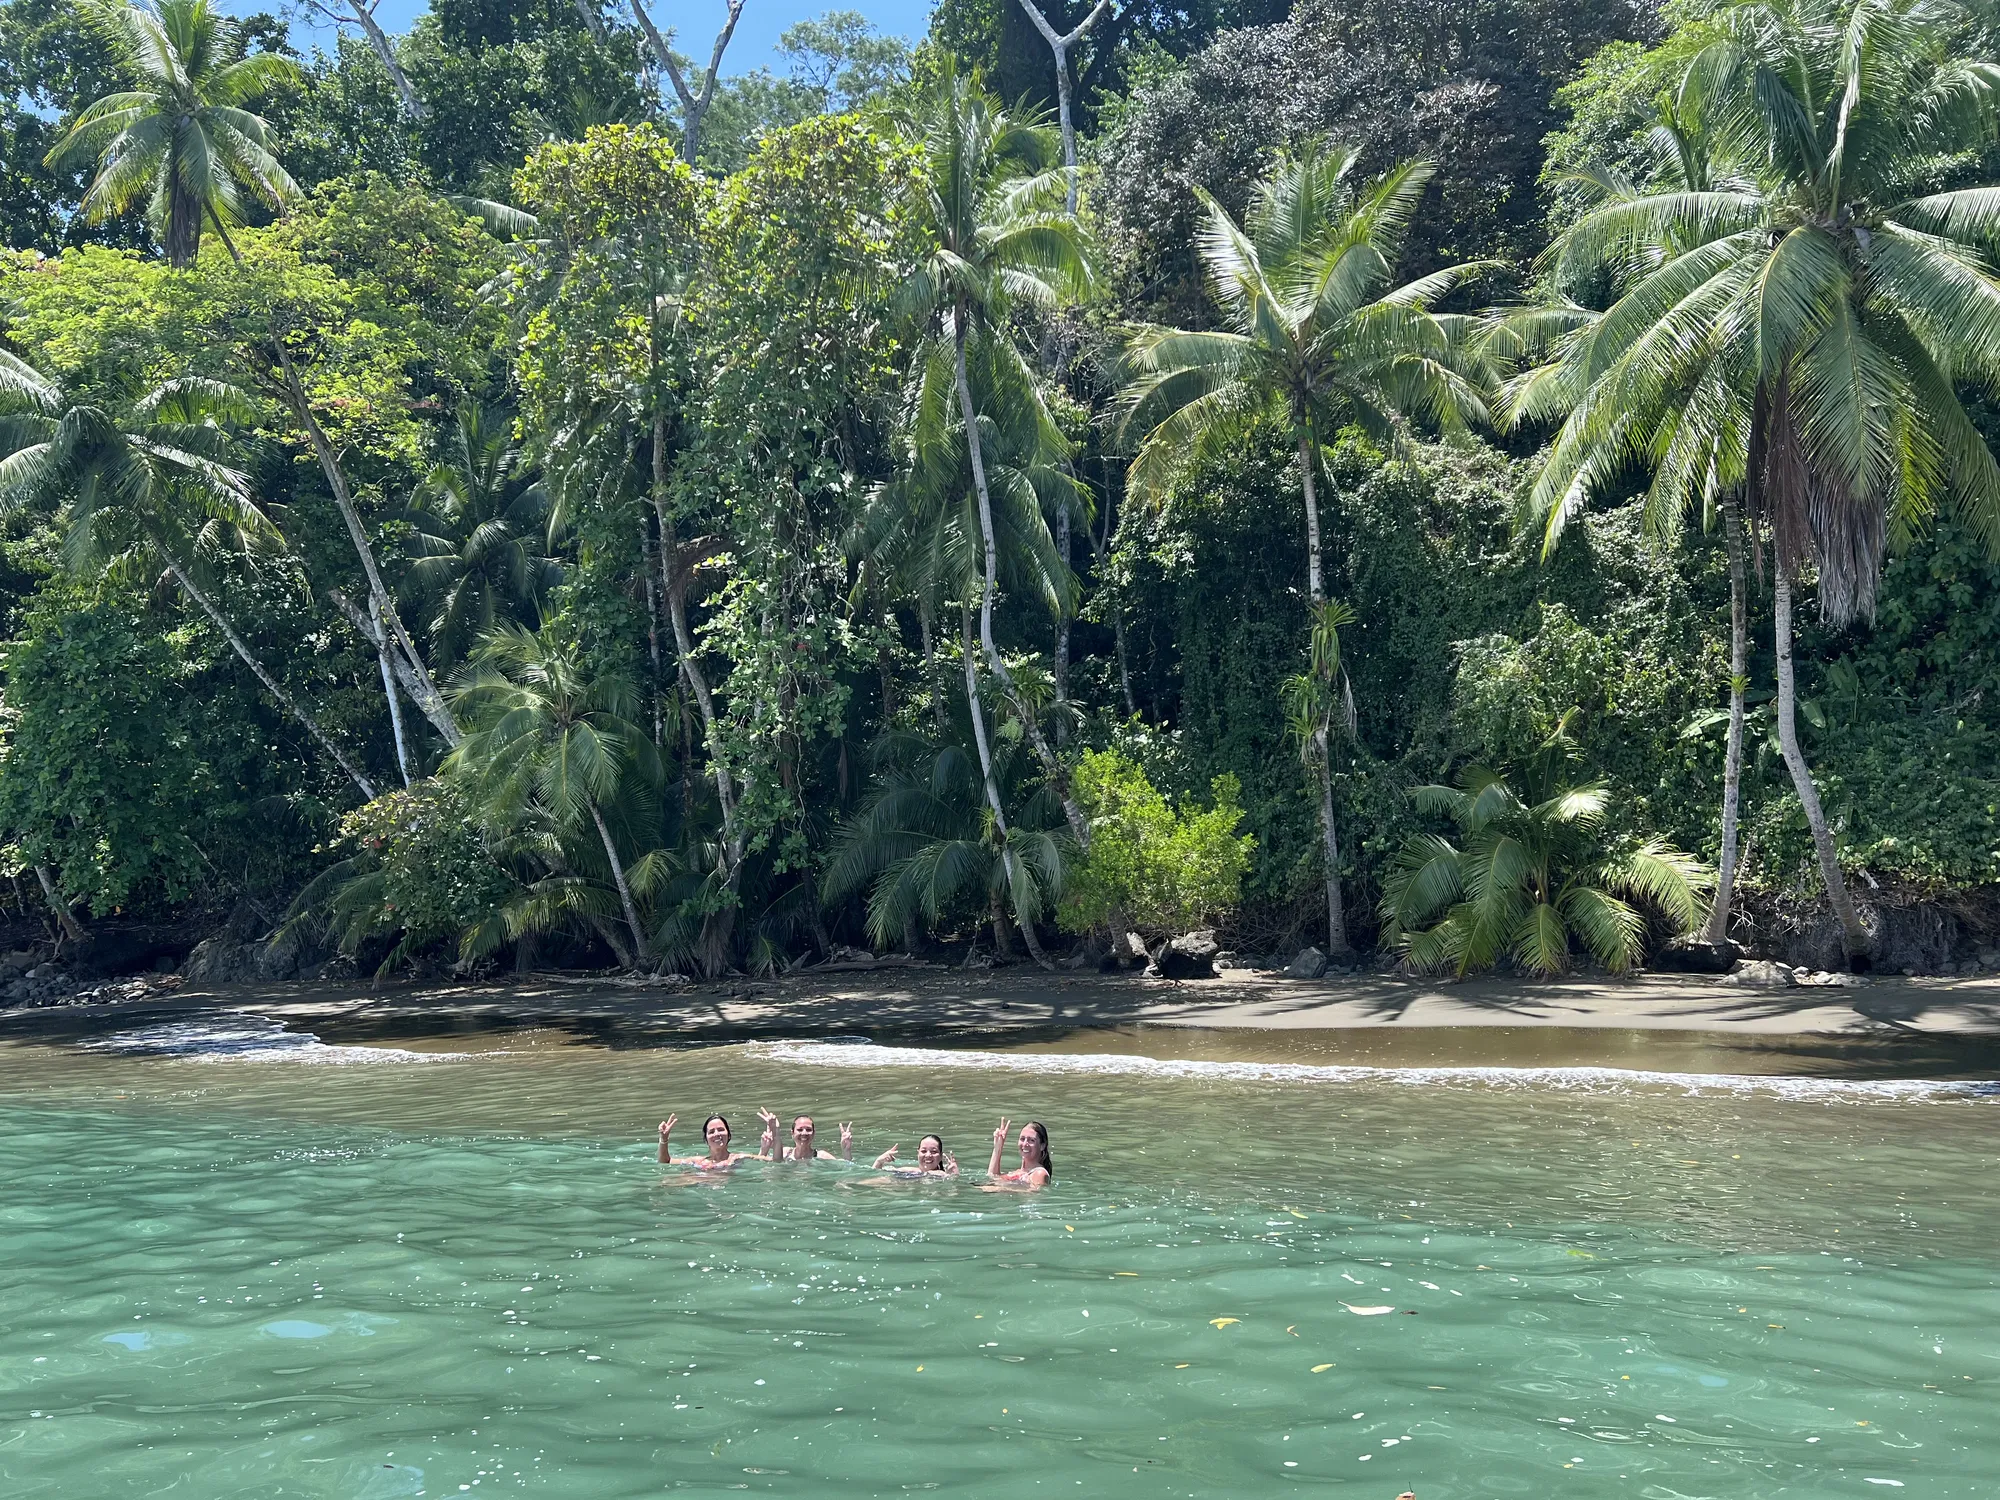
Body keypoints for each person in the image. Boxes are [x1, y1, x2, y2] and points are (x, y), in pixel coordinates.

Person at [658, 1113, 758, 1171]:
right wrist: (663, 1138)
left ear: (729, 1135)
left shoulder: (737, 1159)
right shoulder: (697, 1161)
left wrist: (774, 1133)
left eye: (721, 1129)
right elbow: (665, 1162)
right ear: (706, 1139)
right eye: (711, 1132)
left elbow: (771, 1160)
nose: (717, 1134)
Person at [759, 1109, 853, 1163]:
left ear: (814, 1133)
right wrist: (764, 1150)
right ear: (792, 1133)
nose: (804, 1133)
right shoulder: (784, 1153)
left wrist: (846, 1151)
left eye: (808, 1130)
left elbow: (846, 1168)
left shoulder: (821, 1156)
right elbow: (768, 1164)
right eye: (800, 1130)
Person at [985, 1117, 1052, 1189]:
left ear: (1042, 1146)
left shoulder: (1039, 1174)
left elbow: (1033, 1195)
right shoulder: (1018, 1172)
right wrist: (998, 1147)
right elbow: (992, 1177)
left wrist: (1000, 1189)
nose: (1025, 1144)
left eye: (1031, 1140)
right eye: (1022, 1139)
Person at [871, 1134, 959, 1176]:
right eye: (923, 1151)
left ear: (940, 1157)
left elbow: (954, 1194)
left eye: (933, 1152)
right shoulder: (908, 1171)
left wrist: (955, 1175)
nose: (928, 1155)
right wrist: (879, 1161)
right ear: (918, 1153)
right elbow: (876, 1173)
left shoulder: (942, 1175)